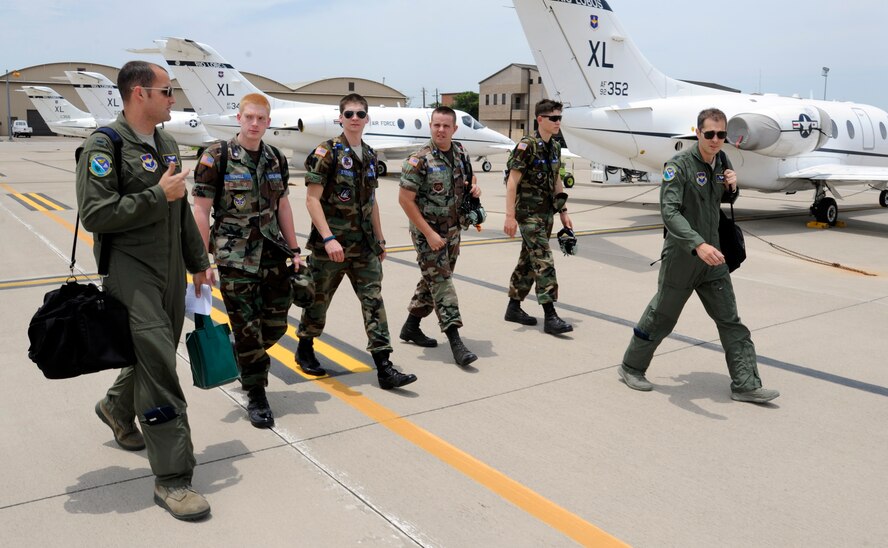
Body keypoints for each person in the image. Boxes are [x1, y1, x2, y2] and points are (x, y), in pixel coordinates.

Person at [76, 60, 214, 520]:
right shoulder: (105, 144)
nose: (173, 98)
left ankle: (116, 406)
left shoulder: (168, 142)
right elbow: (95, 213)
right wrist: (158, 195)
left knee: (153, 351)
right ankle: (173, 479)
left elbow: (178, 215)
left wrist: (198, 264)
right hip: (131, 268)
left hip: (172, 268)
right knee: (159, 365)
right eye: (167, 90)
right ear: (140, 94)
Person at [618, 108, 780, 404]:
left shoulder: (722, 161)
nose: (716, 140)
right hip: (684, 257)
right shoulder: (678, 166)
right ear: (698, 133)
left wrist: (733, 186)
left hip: (714, 257)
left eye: (722, 135)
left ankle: (746, 384)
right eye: (710, 134)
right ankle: (631, 366)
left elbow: (723, 199)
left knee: (731, 321)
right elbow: (669, 211)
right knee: (662, 317)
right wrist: (697, 244)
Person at [192, 93, 300, 428]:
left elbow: (282, 205)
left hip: (272, 254)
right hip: (234, 258)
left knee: (276, 323)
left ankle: (240, 353)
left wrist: (295, 250)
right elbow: (201, 210)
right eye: (249, 117)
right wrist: (202, 262)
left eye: (261, 119)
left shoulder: (276, 159)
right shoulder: (216, 157)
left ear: (268, 122)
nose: (254, 124)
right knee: (249, 328)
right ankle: (256, 394)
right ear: (239, 118)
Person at [295, 93, 417, 390]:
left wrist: (380, 238)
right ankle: (305, 346)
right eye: (348, 114)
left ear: (367, 119)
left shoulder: (372, 155)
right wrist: (328, 238)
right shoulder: (326, 153)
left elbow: (371, 201)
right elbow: (312, 200)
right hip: (331, 247)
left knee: (373, 301)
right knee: (318, 300)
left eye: (360, 114)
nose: (354, 119)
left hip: (364, 246)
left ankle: (384, 366)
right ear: (340, 118)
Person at [398, 106, 481, 366]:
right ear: (430, 127)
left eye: (446, 126)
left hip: (454, 230)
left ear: (454, 129)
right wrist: (429, 234)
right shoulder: (419, 159)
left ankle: (411, 326)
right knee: (442, 281)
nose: (441, 130)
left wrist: (475, 187)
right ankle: (456, 341)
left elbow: (469, 177)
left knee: (432, 279)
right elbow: (405, 200)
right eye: (436, 125)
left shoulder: (461, 153)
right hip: (427, 232)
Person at [503, 99, 573, 335]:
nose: (558, 122)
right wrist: (509, 216)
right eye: (553, 118)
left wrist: (564, 212)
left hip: (547, 214)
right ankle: (550, 316)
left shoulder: (554, 146)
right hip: (528, 214)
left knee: (528, 262)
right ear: (540, 119)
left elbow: (556, 180)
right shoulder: (526, 145)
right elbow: (512, 182)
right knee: (543, 260)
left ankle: (513, 307)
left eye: (560, 118)